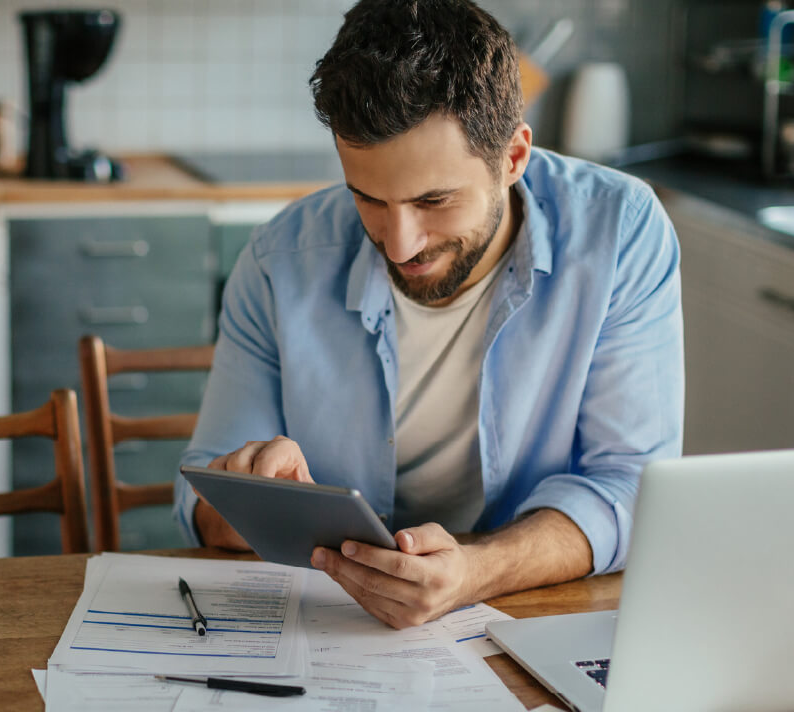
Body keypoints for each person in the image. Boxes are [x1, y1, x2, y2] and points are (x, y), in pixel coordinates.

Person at [174, 0, 683, 629]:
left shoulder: (620, 232)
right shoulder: (281, 260)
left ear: (514, 159)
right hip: (333, 627)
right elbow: (201, 504)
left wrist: (476, 571)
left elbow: (634, 488)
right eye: (368, 198)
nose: (399, 243)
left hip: (529, 613)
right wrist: (255, 494)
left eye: (433, 200)